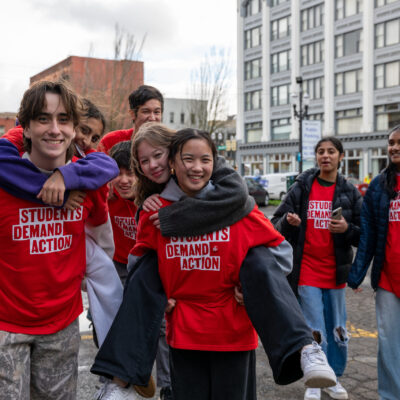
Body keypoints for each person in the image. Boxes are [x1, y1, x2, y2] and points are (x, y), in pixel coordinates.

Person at [91, 125, 336, 400]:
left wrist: (250, 286)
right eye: (188, 160)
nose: (196, 167)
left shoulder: (233, 205)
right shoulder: (155, 210)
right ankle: (120, 379)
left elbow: (280, 255)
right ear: (175, 162)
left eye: (204, 160)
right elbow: (138, 268)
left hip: (232, 334)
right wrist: (159, 295)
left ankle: (304, 347)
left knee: (258, 258)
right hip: (185, 334)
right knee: (148, 267)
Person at [0, 80, 112, 400]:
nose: (54, 129)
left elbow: (103, 244)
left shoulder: (88, 183)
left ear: (75, 128)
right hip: (5, 327)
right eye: (42, 119)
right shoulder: (5, 179)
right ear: (26, 128)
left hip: (62, 325)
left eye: (63, 119)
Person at [271, 137, 362, 400]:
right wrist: (290, 222)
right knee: (313, 327)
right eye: (321, 151)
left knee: (337, 329)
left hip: (336, 273)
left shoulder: (349, 190)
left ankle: (333, 378)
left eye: (331, 151)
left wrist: (347, 229)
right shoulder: (302, 187)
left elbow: (363, 234)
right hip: (307, 270)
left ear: (340, 157)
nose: (325, 156)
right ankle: (313, 380)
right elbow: (276, 222)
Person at [348, 126, 400, 400]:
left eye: (399, 142)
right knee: (389, 344)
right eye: (391, 142)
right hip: (389, 279)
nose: (394, 147)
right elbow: (368, 234)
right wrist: (356, 276)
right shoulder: (380, 186)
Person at [97, 85, 163, 154]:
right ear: (133, 114)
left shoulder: (169, 144)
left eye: (156, 112)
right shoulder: (110, 141)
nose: (152, 118)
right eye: (146, 111)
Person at [108, 141, 138, 284]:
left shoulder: (155, 199)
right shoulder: (108, 197)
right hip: (117, 266)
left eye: (130, 173)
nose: (124, 180)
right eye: (118, 174)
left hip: (146, 266)